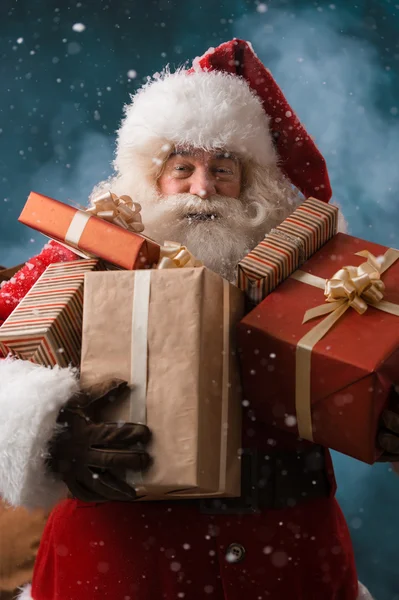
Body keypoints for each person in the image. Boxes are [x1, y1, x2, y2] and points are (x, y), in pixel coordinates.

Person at [0, 38, 397, 600]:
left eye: (224, 169)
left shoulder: (322, 275)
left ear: (253, 184)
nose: (203, 189)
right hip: (120, 566)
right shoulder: (84, 255)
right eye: (181, 167)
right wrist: (46, 434)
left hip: (289, 563)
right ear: (150, 178)